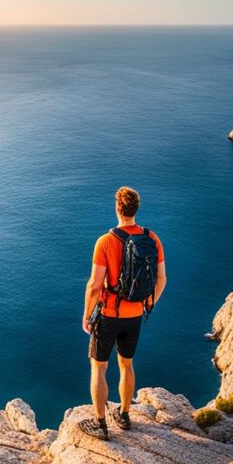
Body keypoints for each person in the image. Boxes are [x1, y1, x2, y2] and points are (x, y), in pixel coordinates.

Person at [79, 187, 166, 440]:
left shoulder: (105, 241)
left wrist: (86, 315)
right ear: (136, 209)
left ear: (117, 208)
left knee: (99, 367)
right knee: (126, 364)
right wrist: (148, 304)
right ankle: (125, 415)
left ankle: (100, 423)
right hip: (135, 315)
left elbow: (95, 285)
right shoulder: (152, 239)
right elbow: (161, 278)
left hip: (108, 314)